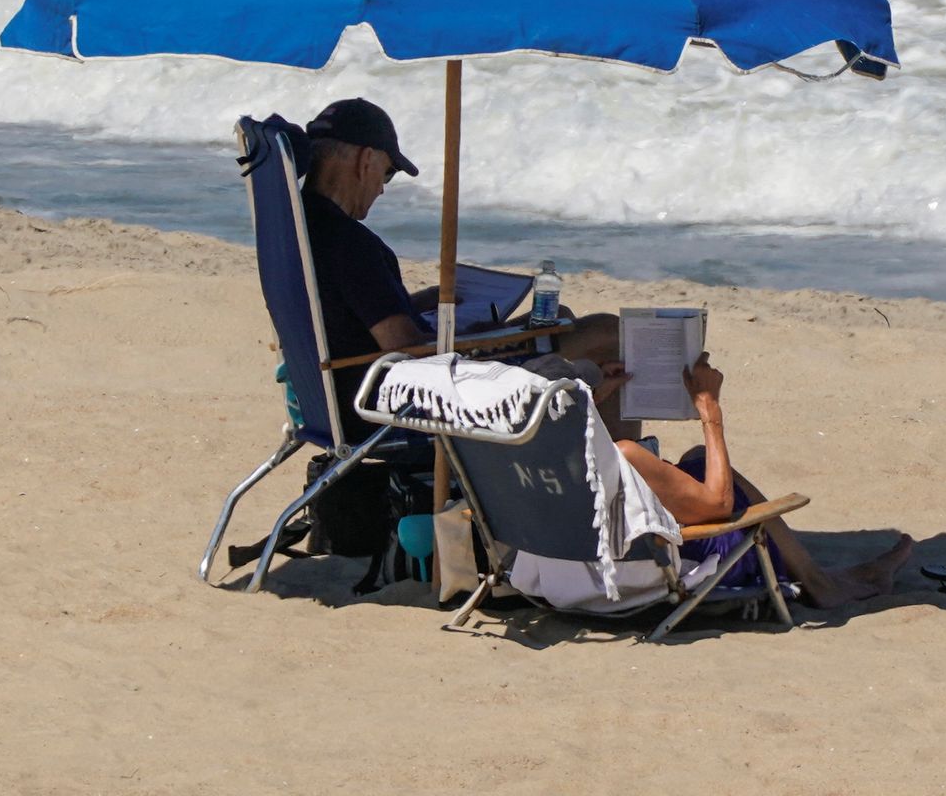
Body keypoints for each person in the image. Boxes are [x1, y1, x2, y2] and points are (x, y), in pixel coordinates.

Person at [299, 96, 624, 436]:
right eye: (388, 172)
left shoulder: (299, 229)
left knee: (560, 322)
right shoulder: (350, 243)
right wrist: (488, 337)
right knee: (604, 334)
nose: (382, 188)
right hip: (402, 409)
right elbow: (407, 350)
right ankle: (628, 470)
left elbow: (342, 319)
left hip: (341, 400)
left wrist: (420, 301)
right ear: (366, 159)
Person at [591, 352, 914, 608]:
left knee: (693, 460)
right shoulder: (626, 454)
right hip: (678, 562)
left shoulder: (553, 454)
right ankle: (821, 585)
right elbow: (718, 505)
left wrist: (595, 396)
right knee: (709, 465)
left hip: (580, 570)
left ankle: (823, 579)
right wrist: (709, 408)